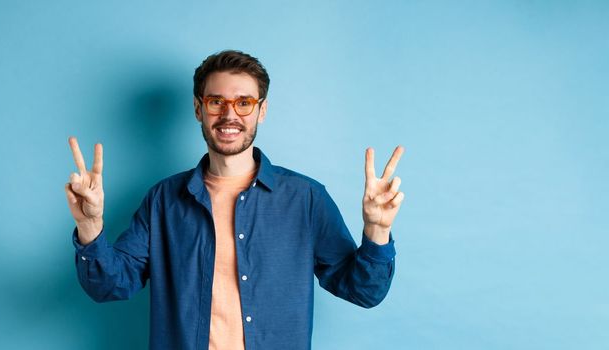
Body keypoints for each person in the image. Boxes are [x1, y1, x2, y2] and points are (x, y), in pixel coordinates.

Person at [65, 50, 405, 350]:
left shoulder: (305, 198)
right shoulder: (163, 200)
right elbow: (110, 286)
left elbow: (363, 292)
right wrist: (90, 225)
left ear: (262, 110)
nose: (230, 115)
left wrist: (376, 230)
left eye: (244, 103)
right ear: (199, 109)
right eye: (217, 102)